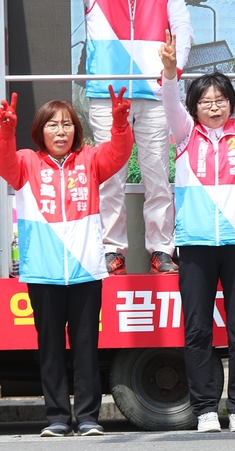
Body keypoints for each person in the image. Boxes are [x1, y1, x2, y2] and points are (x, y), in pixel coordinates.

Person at [0, 87, 133, 437]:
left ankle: (87, 418)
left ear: (76, 130)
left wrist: (119, 124)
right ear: (40, 130)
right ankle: (56, 417)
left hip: (86, 271)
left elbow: (118, 153)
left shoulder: (90, 160)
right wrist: (7, 131)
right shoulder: (25, 161)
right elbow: (2, 161)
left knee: (86, 347)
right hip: (43, 273)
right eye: (52, 125)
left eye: (67, 124)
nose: (60, 131)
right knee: (50, 347)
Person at [159, 26, 235, 433]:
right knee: (198, 328)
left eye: (220, 100)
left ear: (230, 103)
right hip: (195, 245)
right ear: (194, 107)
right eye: (205, 101)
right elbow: (169, 101)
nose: (214, 107)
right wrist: (169, 72)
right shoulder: (185, 136)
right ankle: (206, 408)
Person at [84, 0, 194, 275]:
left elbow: (183, 29)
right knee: (109, 176)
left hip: (155, 94)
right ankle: (110, 249)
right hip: (106, 93)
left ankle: (161, 249)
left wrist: (173, 71)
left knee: (157, 175)